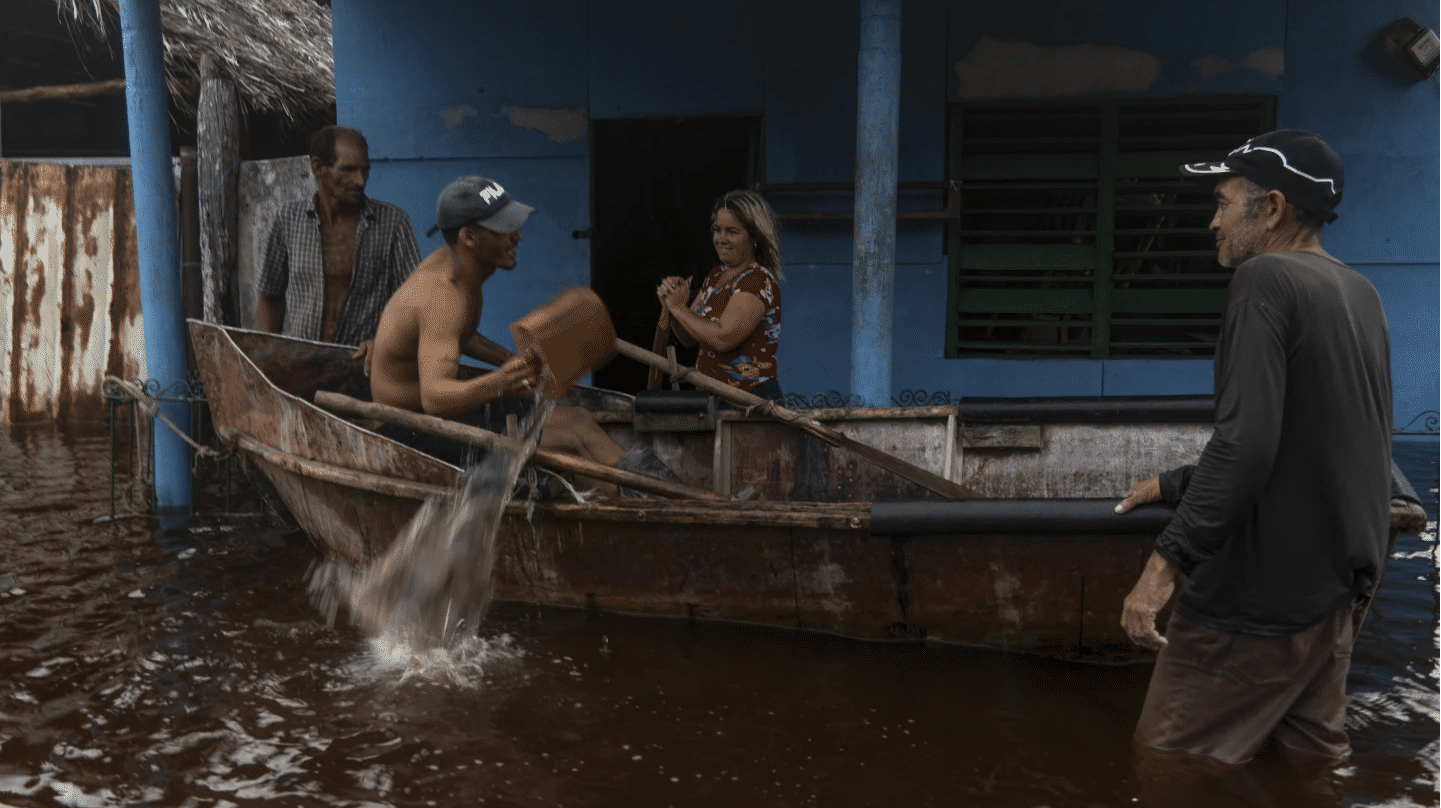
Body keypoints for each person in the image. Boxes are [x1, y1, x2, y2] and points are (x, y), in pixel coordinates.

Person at [1111, 130, 1393, 780]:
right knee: (1307, 770)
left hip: (1256, 597)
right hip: (1332, 587)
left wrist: (1161, 567)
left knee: (1166, 764)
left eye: (1220, 202)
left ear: (1269, 209)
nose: (1211, 221)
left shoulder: (1263, 279)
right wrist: (1177, 481)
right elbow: (1331, 436)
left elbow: (1244, 444)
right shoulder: (1359, 293)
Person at [368, 176, 678, 493]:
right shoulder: (443, 294)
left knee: (579, 419)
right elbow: (433, 398)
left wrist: (508, 359)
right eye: (503, 228)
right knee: (570, 440)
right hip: (410, 431)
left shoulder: (458, 268)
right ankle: (654, 504)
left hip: (442, 417)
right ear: (469, 237)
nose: (517, 235)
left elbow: (457, 335)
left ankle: (660, 495)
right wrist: (500, 382)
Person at [256, 125, 421, 374]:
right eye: (348, 170)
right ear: (318, 168)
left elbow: (416, 304)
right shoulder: (288, 219)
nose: (360, 180)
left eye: (365, 170)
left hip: (364, 370)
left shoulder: (393, 223)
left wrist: (385, 343)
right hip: (301, 367)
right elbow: (271, 294)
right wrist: (265, 360)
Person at [655, 189, 784, 400]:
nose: (721, 239)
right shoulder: (715, 277)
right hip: (714, 397)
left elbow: (722, 338)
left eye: (732, 232)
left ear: (754, 237)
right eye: (717, 230)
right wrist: (672, 304)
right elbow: (689, 337)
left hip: (749, 401)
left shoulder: (757, 281)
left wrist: (679, 308)